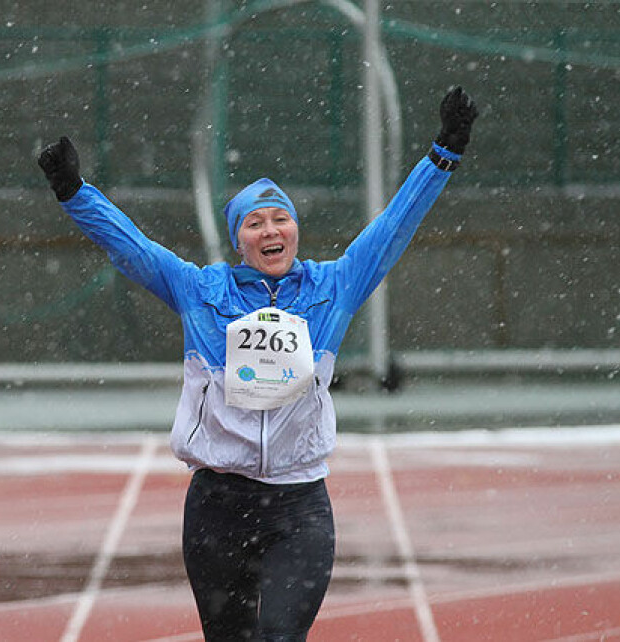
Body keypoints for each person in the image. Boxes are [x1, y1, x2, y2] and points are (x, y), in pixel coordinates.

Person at [38, 86, 478, 642]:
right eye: (255, 223)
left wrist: (444, 153)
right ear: (238, 241)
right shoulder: (200, 291)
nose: (271, 230)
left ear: (295, 231)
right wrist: (75, 193)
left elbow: (394, 226)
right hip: (218, 507)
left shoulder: (333, 288)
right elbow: (134, 248)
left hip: (299, 507)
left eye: (281, 220)